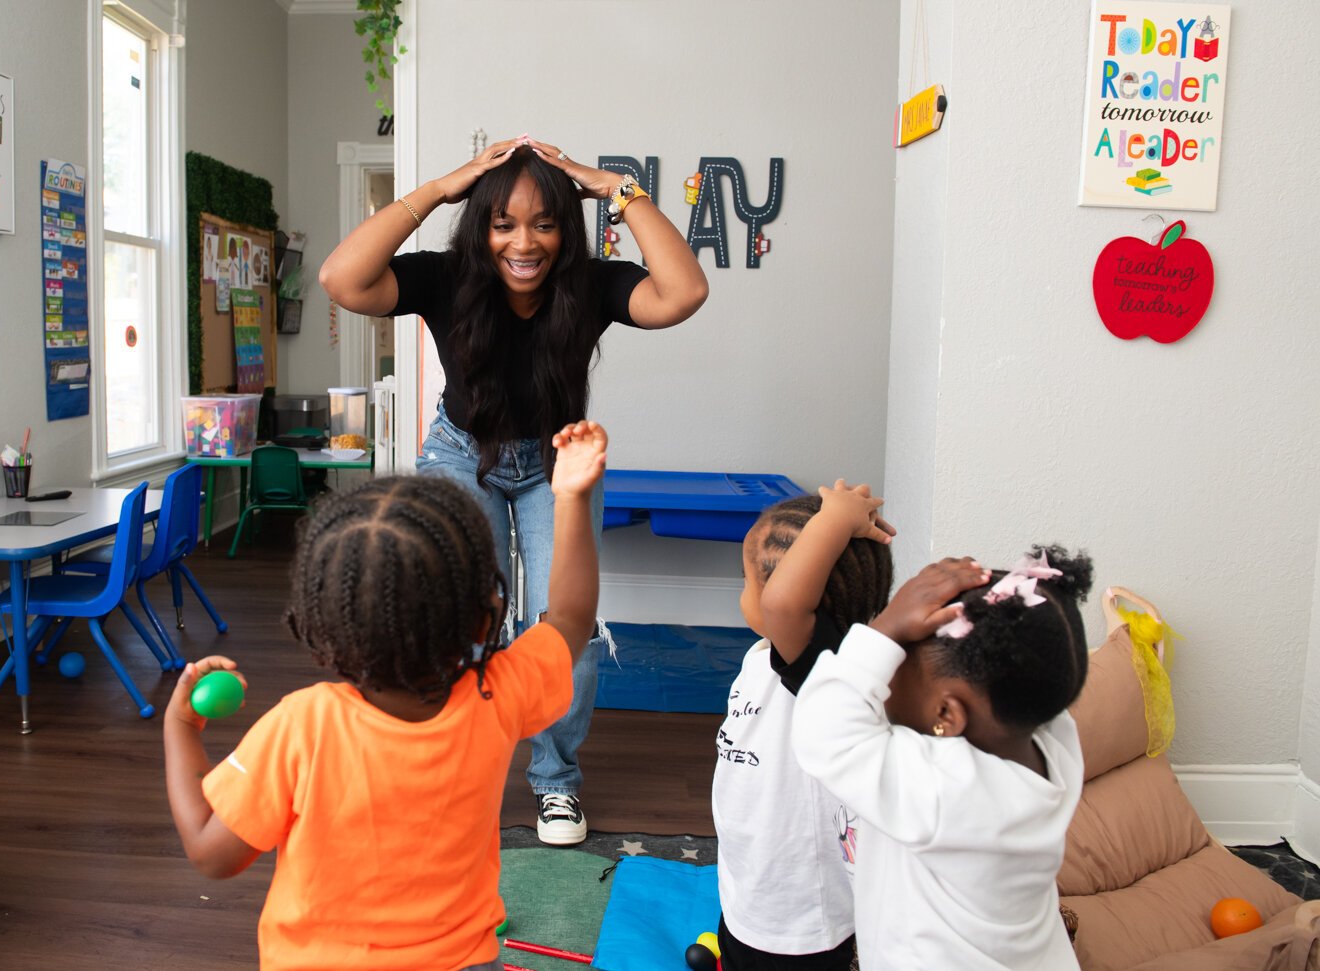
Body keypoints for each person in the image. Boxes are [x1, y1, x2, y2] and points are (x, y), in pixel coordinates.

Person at [319, 133, 708, 844]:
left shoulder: (589, 286)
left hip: (558, 464)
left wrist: (615, 185)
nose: (523, 242)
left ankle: (554, 783)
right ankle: (457, 774)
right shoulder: (447, 277)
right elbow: (343, 279)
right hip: (461, 454)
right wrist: (442, 186)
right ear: (481, 225)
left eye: (544, 222)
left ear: (566, 227)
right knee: (466, 622)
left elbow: (684, 291)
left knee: (565, 628)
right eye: (504, 223)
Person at [163, 422, 609, 971]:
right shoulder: (497, 693)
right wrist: (570, 497)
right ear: (480, 618)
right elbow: (570, 619)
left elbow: (211, 854)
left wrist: (180, 728)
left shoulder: (303, 726)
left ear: (324, 624)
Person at [792, 547, 1093, 970]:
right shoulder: (1053, 741)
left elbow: (823, 730)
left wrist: (885, 629)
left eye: (898, 657)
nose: (885, 670)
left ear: (947, 715)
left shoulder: (948, 792)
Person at [712, 482, 893, 971]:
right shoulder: (779, 658)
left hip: (795, 916)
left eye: (749, 583)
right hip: (753, 876)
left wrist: (834, 519)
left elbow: (786, 607)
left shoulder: (825, 672)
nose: (745, 594)